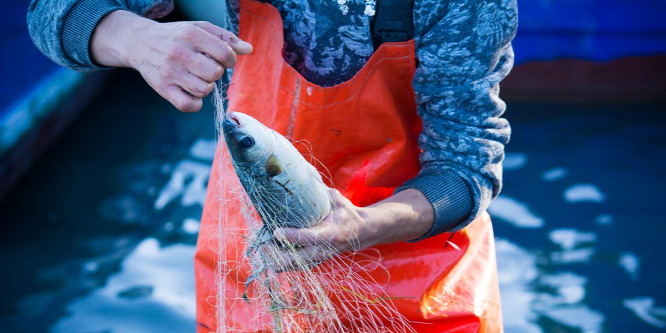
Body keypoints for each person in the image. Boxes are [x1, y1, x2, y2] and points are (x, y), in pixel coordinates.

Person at [28, 0, 517, 331]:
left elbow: (466, 165)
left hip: (421, 286)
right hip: (261, 272)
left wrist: (361, 227)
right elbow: (50, 14)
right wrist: (136, 39)